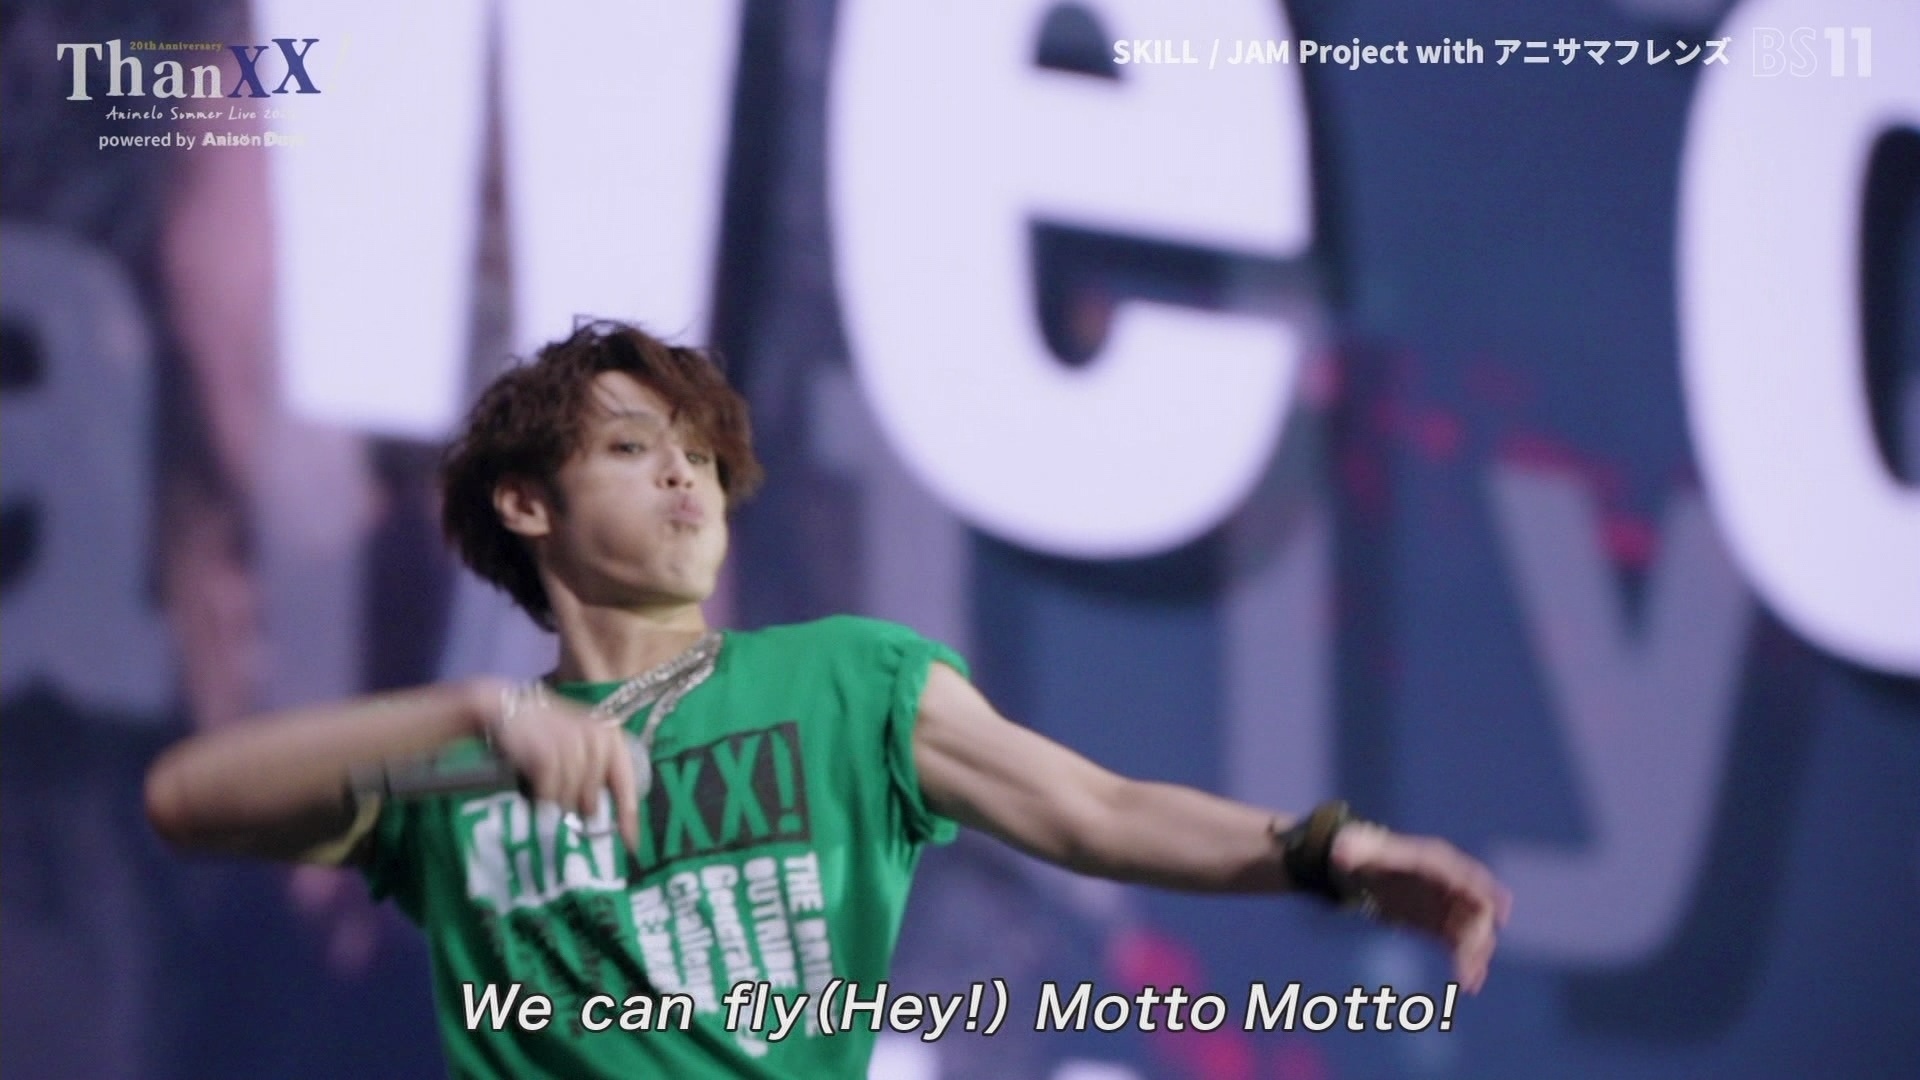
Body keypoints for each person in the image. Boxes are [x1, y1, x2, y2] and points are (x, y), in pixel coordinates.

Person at [146, 320, 1510, 1078]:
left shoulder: (850, 682)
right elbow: (188, 800)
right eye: (633, 448)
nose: (684, 477)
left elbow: (1094, 812)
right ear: (527, 504)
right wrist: (471, 721)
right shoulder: (463, 778)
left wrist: (1322, 854)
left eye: (700, 455)